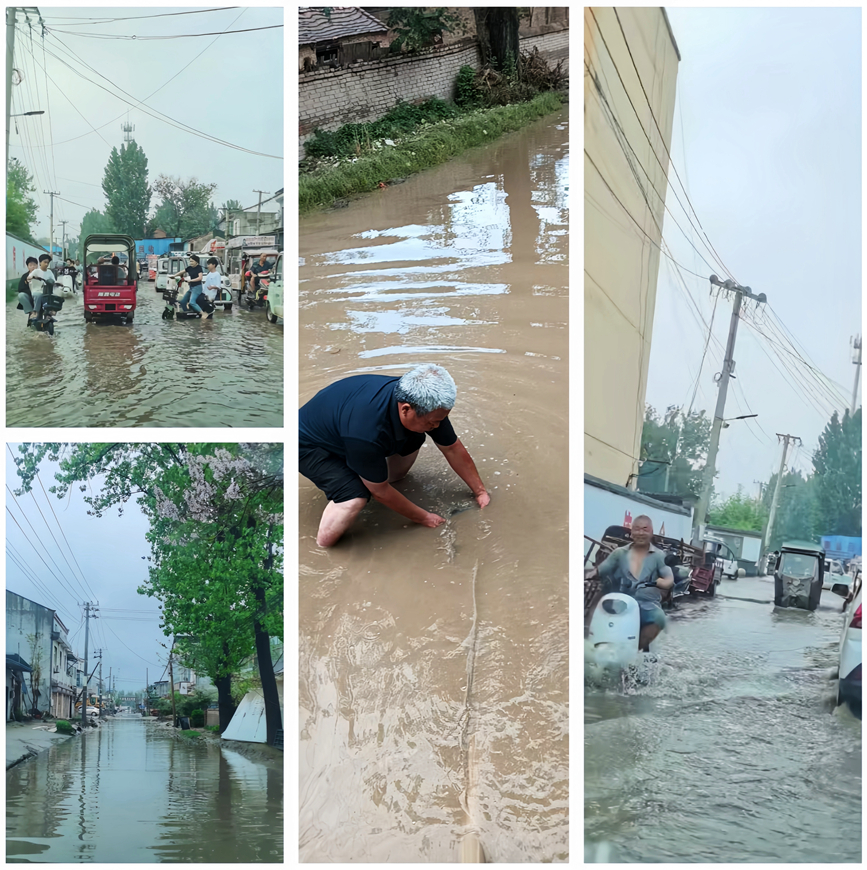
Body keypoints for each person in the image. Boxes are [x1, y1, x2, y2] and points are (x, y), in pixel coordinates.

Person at [299, 363, 490, 547]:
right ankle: (323, 547)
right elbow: (379, 491)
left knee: (415, 437)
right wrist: (424, 517)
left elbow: (452, 447)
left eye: (441, 419)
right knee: (354, 496)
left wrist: (480, 491)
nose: (438, 426)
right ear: (406, 409)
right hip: (305, 444)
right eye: (434, 422)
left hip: (343, 429)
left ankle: (385, 476)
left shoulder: (423, 400)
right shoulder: (367, 432)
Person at [596, 515, 674, 652]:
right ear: (631, 532)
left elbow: (669, 579)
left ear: (651, 532)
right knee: (596, 615)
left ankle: (633, 650)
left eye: (645, 529)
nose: (640, 533)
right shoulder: (619, 553)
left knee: (659, 618)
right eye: (637, 529)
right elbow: (602, 569)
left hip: (646, 605)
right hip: (620, 602)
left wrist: (658, 582)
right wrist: (591, 574)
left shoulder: (659, 556)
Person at [16, 256, 39, 324]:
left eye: (34, 265)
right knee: (21, 295)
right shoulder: (25, 276)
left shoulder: (42, 274)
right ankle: (31, 312)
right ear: (27, 266)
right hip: (30, 297)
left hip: (40, 296)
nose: (32, 267)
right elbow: (20, 289)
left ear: (37, 265)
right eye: (30, 265)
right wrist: (31, 292)